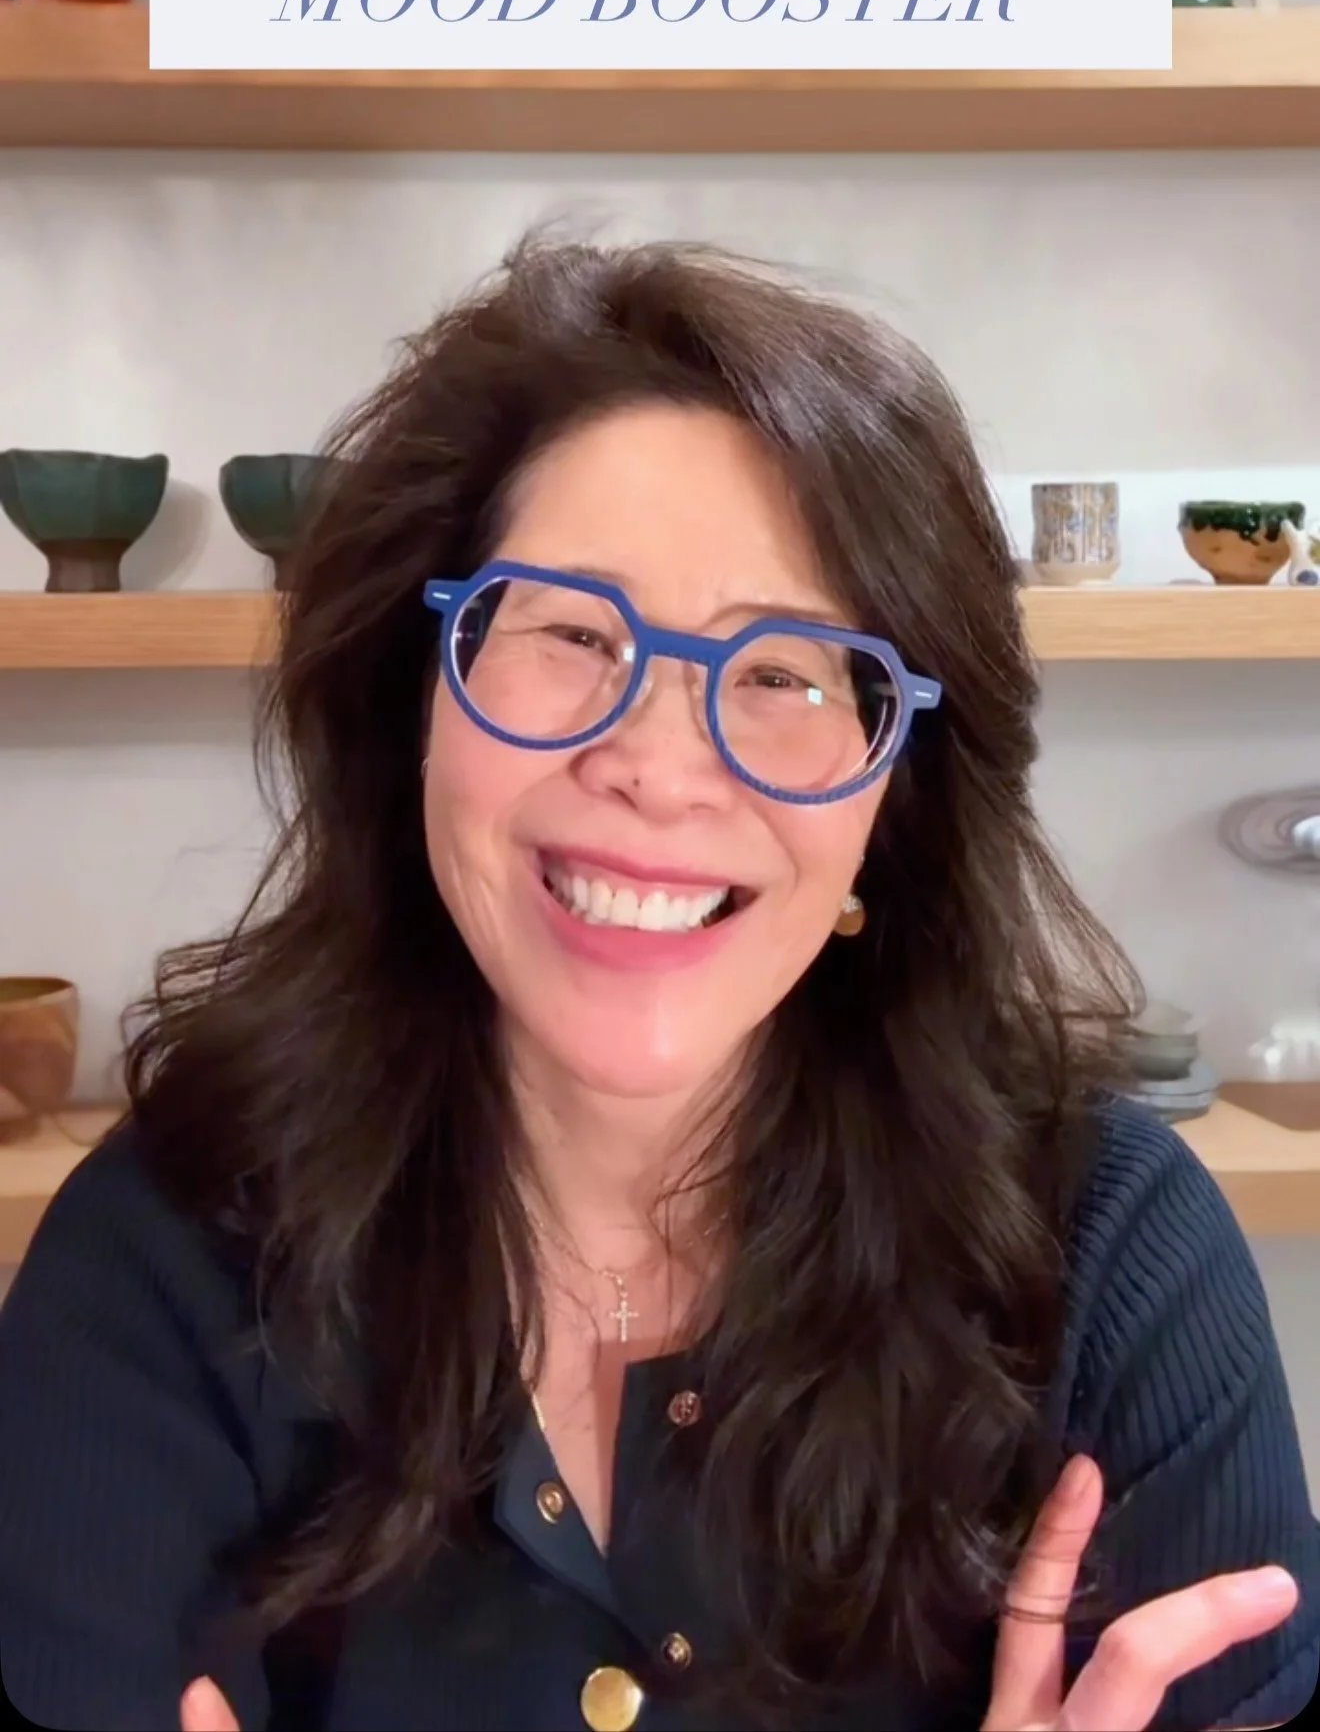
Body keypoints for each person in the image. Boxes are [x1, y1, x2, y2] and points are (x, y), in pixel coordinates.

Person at [0, 234, 1316, 1732]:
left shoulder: (1113, 1254)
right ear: (414, 698)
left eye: (787, 673)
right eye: (572, 631)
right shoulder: (162, 1259)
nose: (658, 767)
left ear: (895, 797)